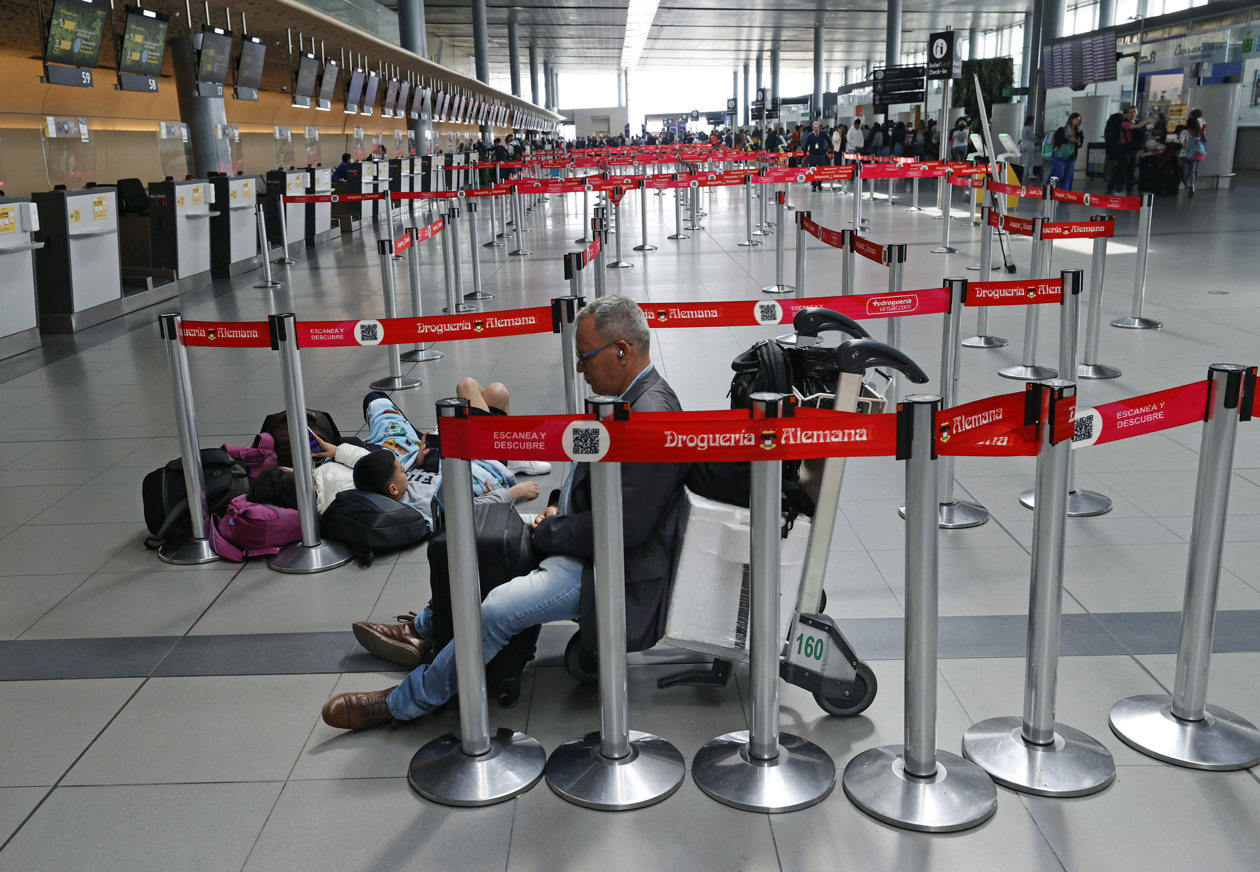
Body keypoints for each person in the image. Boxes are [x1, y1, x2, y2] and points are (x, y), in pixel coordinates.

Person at [320, 296, 689, 730]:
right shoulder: (628, 399)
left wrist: (550, 532)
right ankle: (426, 630)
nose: (579, 369)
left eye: (584, 357)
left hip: (608, 568)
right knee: (483, 546)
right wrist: (557, 504)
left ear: (622, 351)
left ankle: (407, 702)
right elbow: (597, 482)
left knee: (496, 609)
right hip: (585, 542)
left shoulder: (651, 416)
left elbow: (626, 526)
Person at [1049, 112, 1084, 190]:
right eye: (1076, 119)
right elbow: (1057, 142)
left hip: (1071, 155)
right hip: (1060, 154)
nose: (1077, 122)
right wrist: (1068, 140)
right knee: (1058, 173)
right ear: (1071, 119)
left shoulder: (1079, 132)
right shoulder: (1062, 130)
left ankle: (1064, 193)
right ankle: (1052, 191)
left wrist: (1078, 142)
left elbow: (1080, 144)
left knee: (1068, 175)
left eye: (1079, 120)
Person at [802, 120, 832, 191]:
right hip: (812, 155)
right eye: (815, 127)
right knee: (813, 170)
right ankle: (814, 185)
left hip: (821, 154)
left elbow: (829, 140)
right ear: (812, 128)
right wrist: (805, 154)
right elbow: (806, 146)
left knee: (820, 170)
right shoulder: (809, 136)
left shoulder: (823, 133)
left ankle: (819, 184)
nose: (816, 129)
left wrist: (830, 148)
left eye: (817, 127)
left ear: (819, 127)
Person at [1179, 117, 1206, 195]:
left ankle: (1186, 186)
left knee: (1185, 171)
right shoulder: (1199, 132)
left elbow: (1182, 142)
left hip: (1185, 154)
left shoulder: (1184, 132)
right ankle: (1192, 185)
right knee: (1192, 171)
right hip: (1195, 154)